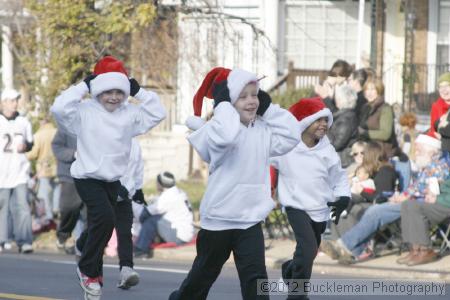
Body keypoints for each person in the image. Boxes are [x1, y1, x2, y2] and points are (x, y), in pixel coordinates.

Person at [169, 67, 300, 300]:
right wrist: (222, 105)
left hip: (249, 219)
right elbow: (228, 134)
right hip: (219, 220)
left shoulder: (263, 130)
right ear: (228, 103)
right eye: (243, 96)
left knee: (256, 282)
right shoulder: (216, 131)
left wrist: (269, 109)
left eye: (255, 95)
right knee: (202, 278)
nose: (252, 101)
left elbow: (292, 134)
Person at [50, 55, 166, 299]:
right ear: (97, 90)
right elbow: (59, 108)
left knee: (101, 225)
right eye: (107, 91)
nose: (113, 97)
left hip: (112, 180)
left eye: (119, 91)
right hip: (87, 176)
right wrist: (83, 86)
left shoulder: (129, 114)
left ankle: (88, 263)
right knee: (105, 217)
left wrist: (139, 92)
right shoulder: (84, 112)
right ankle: (87, 269)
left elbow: (158, 113)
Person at [321, 134, 449, 264]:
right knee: (376, 211)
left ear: (431, 151)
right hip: (411, 201)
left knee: (376, 212)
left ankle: (344, 246)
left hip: (419, 204)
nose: (415, 152)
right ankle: (350, 251)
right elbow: (415, 189)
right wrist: (400, 196)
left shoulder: (438, 167)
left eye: (419, 150)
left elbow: (429, 192)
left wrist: (403, 197)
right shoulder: (427, 166)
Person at [270, 98, 350, 300]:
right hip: (295, 205)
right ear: (304, 123)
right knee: (307, 249)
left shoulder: (327, 151)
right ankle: (297, 295)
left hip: (319, 208)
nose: (323, 124)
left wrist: (343, 198)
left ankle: (290, 268)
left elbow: (339, 177)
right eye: (318, 120)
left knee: (308, 252)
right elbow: (265, 161)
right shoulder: (286, 146)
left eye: (326, 120)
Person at [0, 88, 34, 254]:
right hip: (2, 172)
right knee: (2, 207)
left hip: (20, 170)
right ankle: (2, 239)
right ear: (4, 102)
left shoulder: (23, 121)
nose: (14, 104)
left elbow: (30, 143)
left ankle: (25, 241)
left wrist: (25, 146)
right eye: (11, 100)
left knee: (23, 206)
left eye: (16, 101)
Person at [133, 171, 194, 258]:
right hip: (185, 232)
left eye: (157, 182)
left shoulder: (167, 197)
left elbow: (145, 214)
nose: (156, 184)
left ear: (161, 184)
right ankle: (145, 243)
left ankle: (141, 249)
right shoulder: (178, 191)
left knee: (151, 221)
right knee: (157, 219)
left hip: (179, 235)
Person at [398, 178, 450, 266]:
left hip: (446, 205)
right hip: (442, 201)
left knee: (415, 207)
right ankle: (415, 250)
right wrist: (433, 190)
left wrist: (437, 199)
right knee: (406, 204)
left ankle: (425, 250)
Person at [52, 129, 85, 252]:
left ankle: (84, 244)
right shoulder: (66, 126)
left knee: (91, 213)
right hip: (69, 174)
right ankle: (63, 235)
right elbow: (56, 147)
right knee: (69, 208)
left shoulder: (96, 122)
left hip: (91, 175)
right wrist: (73, 154)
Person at [26, 117, 58, 228]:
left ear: (41, 122)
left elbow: (33, 153)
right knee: (56, 191)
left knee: (44, 195)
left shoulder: (38, 135)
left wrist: (24, 155)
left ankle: (49, 218)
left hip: (43, 169)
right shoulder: (57, 132)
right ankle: (56, 211)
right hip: (57, 167)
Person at [358, 79, 398, 158]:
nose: (369, 93)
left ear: (379, 91)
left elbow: (385, 134)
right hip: (369, 151)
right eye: (367, 89)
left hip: (383, 153)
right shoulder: (365, 107)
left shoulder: (385, 109)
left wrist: (364, 133)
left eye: (373, 89)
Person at [327, 84, 358, 167]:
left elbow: (336, 144)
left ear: (343, 100)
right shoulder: (343, 115)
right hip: (337, 158)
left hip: (342, 160)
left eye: (338, 97)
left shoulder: (346, 119)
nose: (336, 99)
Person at [429, 72, 450, 139]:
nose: (444, 90)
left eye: (447, 86)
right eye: (441, 87)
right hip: (441, 144)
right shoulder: (436, 106)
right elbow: (433, 129)